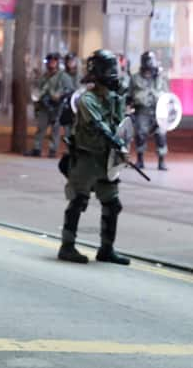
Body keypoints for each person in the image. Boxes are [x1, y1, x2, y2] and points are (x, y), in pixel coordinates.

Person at [58, 49, 130, 266]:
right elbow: (98, 125)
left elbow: (121, 125)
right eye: (109, 70)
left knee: (112, 203)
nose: (113, 74)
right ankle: (67, 246)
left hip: (106, 160)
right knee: (78, 201)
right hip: (87, 159)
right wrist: (116, 143)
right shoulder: (86, 98)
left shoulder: (114, 99)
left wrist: (121, 143)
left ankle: (106, 248)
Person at [26, 53, 73, 158]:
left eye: (54, 61)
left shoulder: (63, 76)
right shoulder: (44, 77)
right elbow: (37, 90)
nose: (51, 63)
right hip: (44, 106)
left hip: (57, 107)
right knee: (41, 128)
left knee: (55, 129)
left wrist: (59, 97)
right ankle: (37, 148)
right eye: (50, 61)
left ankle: (53, 150)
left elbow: (69, 90)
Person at [130, 51, 169, 171]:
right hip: (142, 110)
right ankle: (140, 159)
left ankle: (161, 160)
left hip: (159, 110)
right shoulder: (135, 78)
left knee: (160, 134)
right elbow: (131, 94)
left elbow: (166, 93)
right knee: (140, 134)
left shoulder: (160, 77)